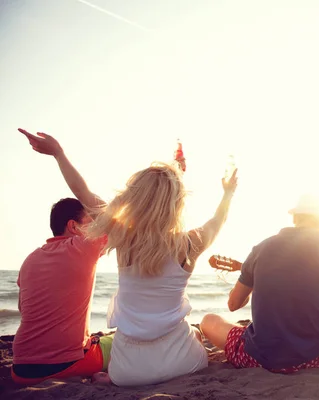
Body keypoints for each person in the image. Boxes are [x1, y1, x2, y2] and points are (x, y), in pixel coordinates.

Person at [16, 128, 238, 386]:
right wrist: (227, 193)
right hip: (183, 363)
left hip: (126, 372)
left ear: (135, 199)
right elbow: (218, 219)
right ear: (177, 203)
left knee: (159, 343)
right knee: (197, 334)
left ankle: (107, 379)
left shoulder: (123, 236)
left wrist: (58, 154)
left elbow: (83, 194)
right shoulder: (190, 244)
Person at [200, 194, 319, 373]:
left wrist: (253, 283)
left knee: (208, 321)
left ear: (294, 218)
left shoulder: (262, 248)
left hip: (261, 358)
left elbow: (233, 305)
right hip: (317, 357)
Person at [11, 195, 110, 384]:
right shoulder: (83, 246)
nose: (96, 229)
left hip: (21, 370)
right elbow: (114, 218)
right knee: (120, 344)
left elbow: (23, 309)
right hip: (66, 364)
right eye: (91, 223)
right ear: (74, 227)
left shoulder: (30, 259)